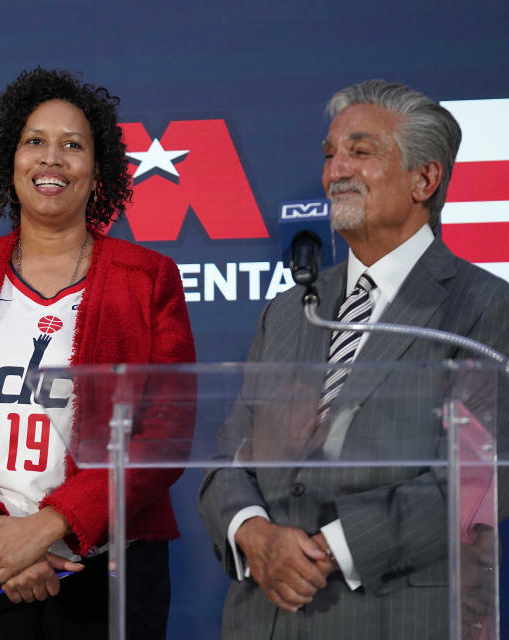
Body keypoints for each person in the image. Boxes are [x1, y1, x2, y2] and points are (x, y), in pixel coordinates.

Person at [0, 68, 195, 639]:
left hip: (109, 569)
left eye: (72, 145)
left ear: (98, 170)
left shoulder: (148, 278)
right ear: (10, 159)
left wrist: (52, 526)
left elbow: (163, 434)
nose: (51, 159)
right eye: (35, 141)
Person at [198, 80, 509, 639]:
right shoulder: (290, 310)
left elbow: (482, 479)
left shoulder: (487, 307)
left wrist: (330, 550)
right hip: (264, 615)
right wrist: (253, 533)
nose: (335, 170)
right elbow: (229, 454)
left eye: (360, 153)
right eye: (329, 155)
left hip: (393, 615)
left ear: (425, 179)